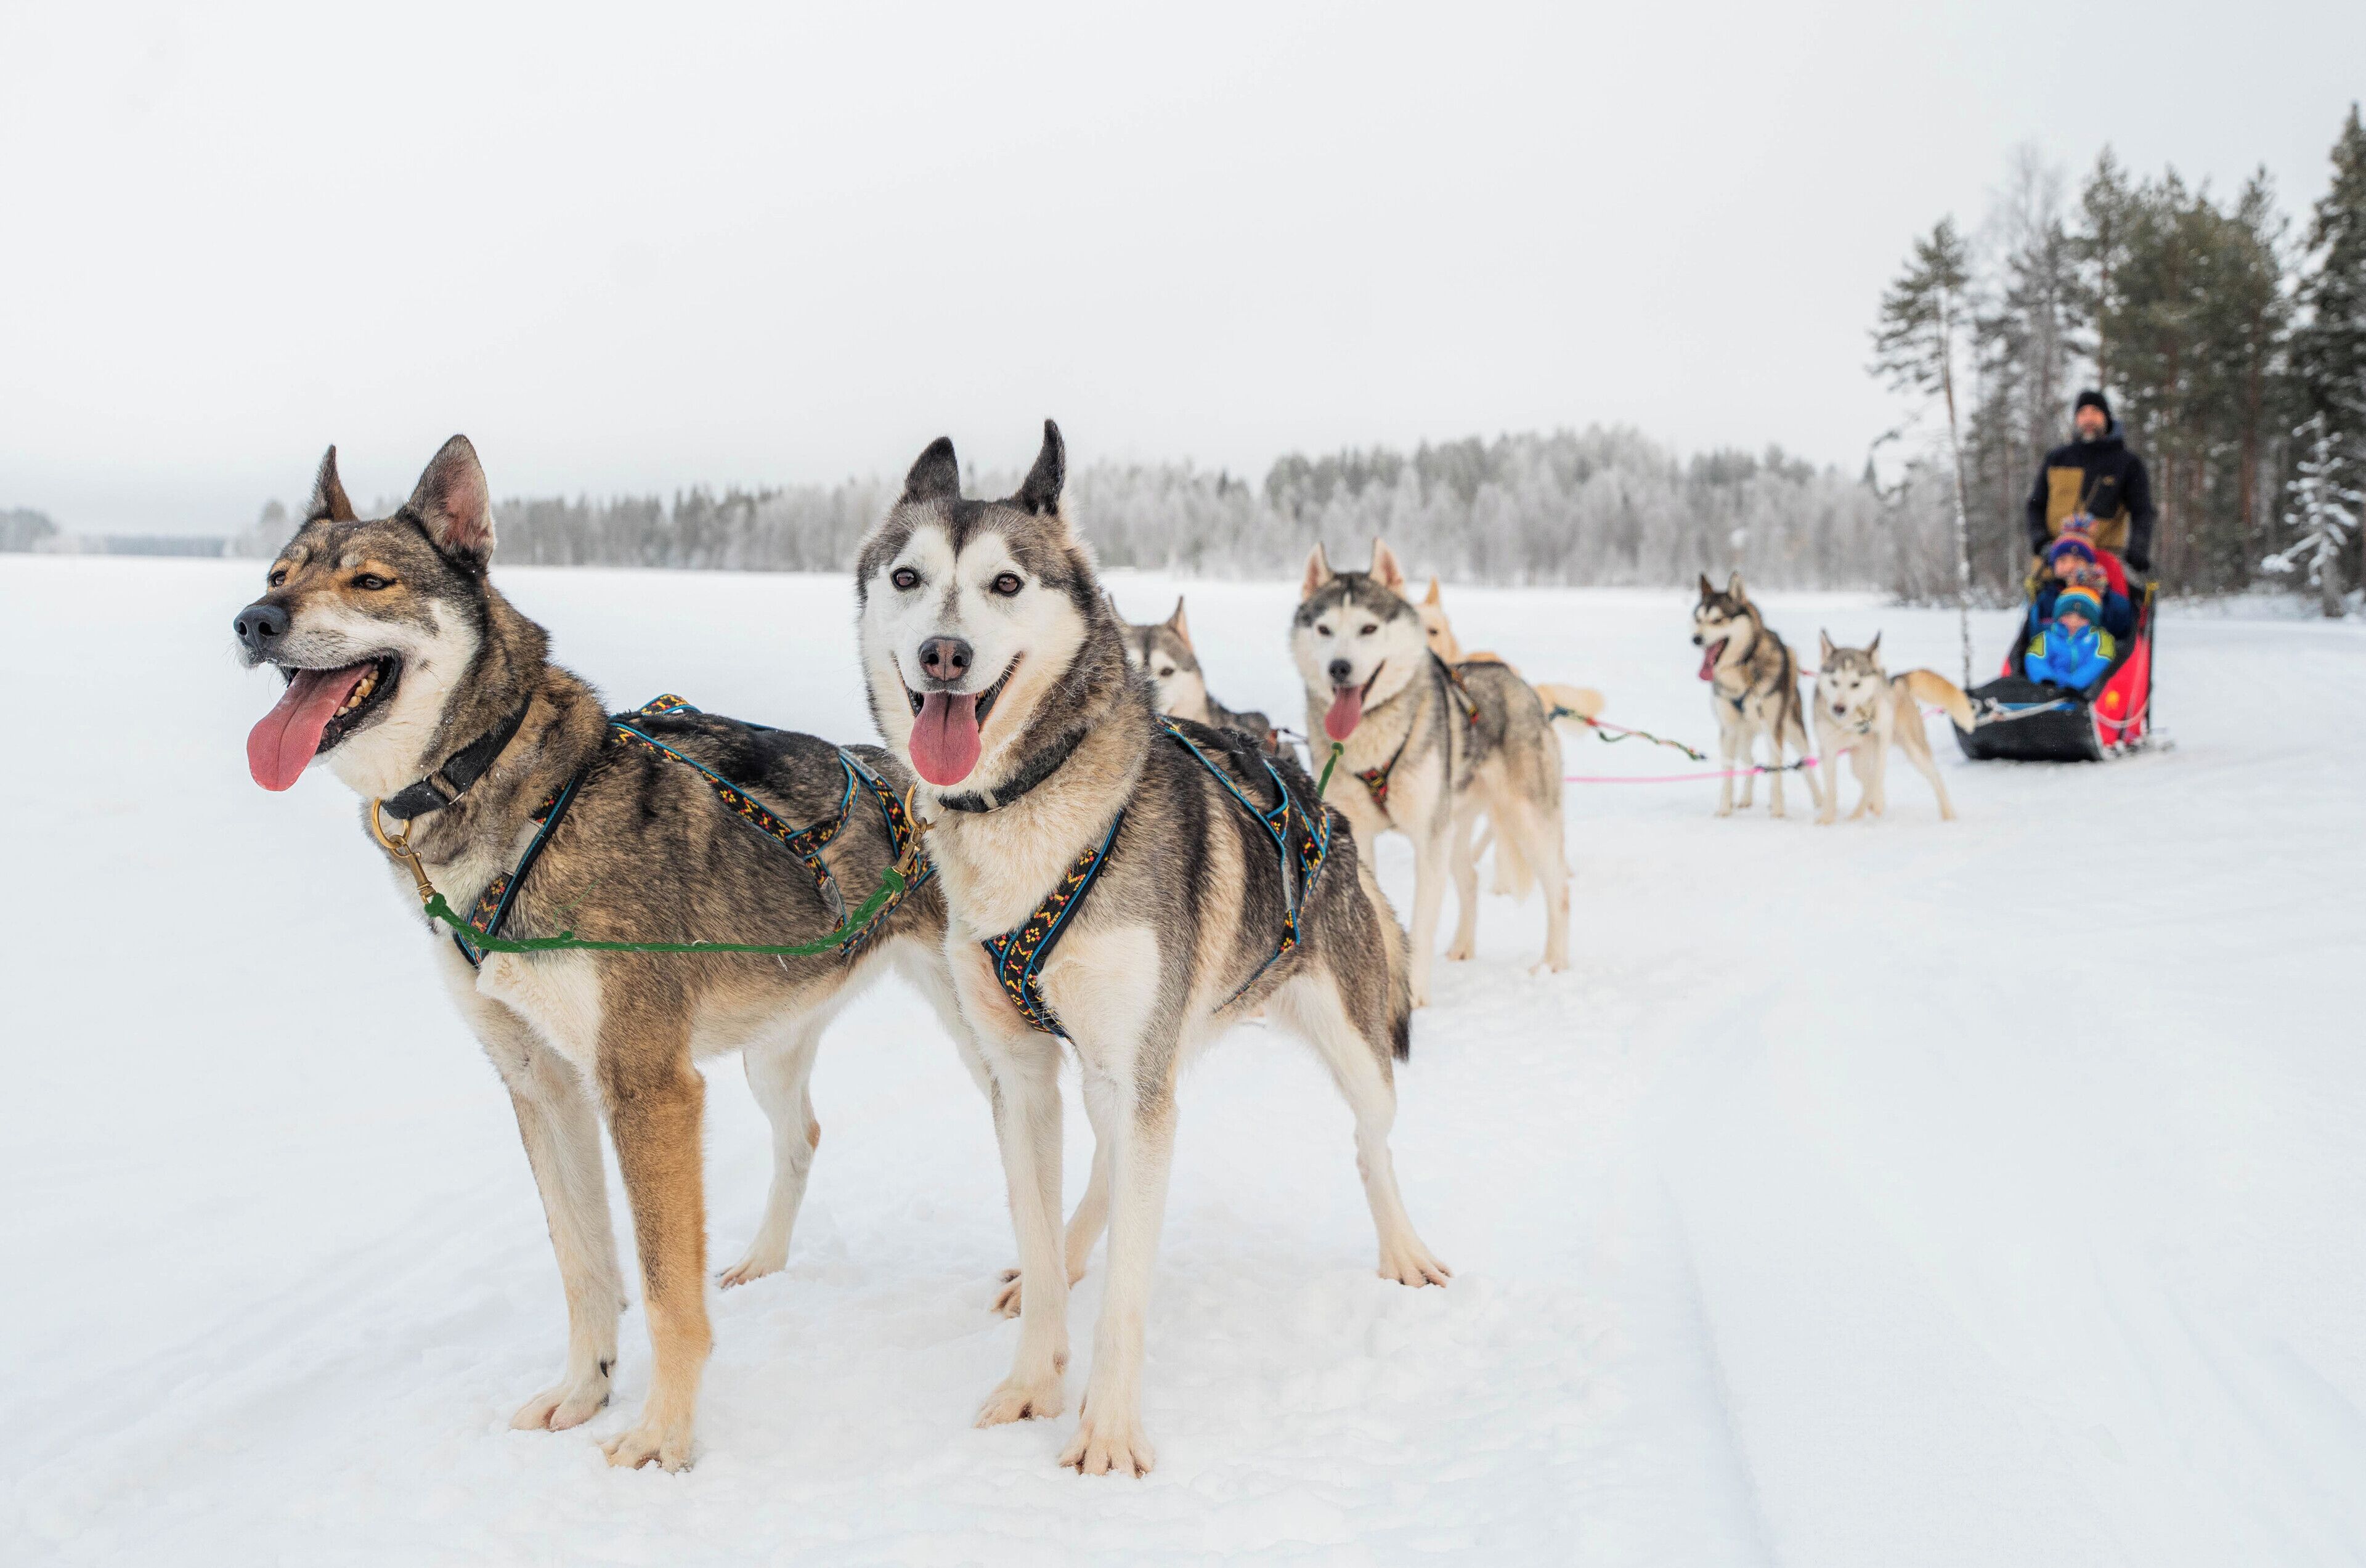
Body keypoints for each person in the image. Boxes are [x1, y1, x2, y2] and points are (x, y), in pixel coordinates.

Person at [2025, 390, 2156, 577]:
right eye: (2083, 413)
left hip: (2102, 570)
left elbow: (2143, 512)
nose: (2088, 419)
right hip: (2053, 568)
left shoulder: (2127, 463)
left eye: (2095, 412)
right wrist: (2041, 543)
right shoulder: (2056, 459)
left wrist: (2138, 550)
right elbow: (2035, 506)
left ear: (2107, 417)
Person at [2031, 530, 2134, 637]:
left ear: (2090, 565)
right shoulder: (2046, 597)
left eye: (2077, 560)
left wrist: (2099, 595)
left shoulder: (2106, 597)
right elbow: (2036, 631)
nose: (2069, 567)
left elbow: (2121, 626)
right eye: (2062, 560)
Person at [2024, 582, 2117, 689]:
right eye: (2068, 616)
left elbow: (2100, 661)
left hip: (2089, 693)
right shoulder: (2047, 638)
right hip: (2050, 690)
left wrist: (2074, 684)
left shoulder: (2100, 639)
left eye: (2082, 617)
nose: (2074, 621)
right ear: (2059, 617)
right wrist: (2047, 680)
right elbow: (2035, 659)